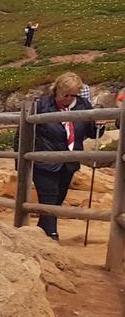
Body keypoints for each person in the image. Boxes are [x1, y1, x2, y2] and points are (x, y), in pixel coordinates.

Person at [30, 72, 100, 240]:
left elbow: (91, 132)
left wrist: (99, 125)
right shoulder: (41, 105)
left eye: (73, 95)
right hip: (44, 160)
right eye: (65, 95)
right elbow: (24, 133)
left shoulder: (84, 105)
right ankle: (52, 235)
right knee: (49, 196)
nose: (69, 99)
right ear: (57, 90)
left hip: (69, 162)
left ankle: (42, 230)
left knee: (59, 198)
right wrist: (21, 160)